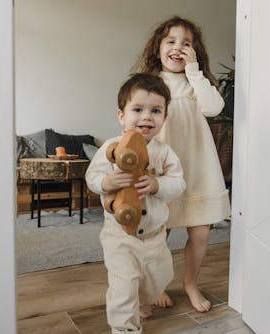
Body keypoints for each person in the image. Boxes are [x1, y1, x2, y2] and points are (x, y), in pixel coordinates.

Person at [136, 16, 231, 313]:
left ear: (195, 51)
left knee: (200, 231)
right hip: (162, 169)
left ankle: (191, 283)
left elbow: (214, 107)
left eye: (186, 44)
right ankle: (155, 285)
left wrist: (194, 71)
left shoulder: (195, 83)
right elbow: (138, 120)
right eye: (171, 41)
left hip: (198, 166)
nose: (178, 48)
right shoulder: (151, 84)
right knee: (158, 231)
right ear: (158, 49)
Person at [86, 73, 186, 334]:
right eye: (138, 109)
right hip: (120, 236)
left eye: (156, 110)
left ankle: (145, 298)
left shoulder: (164, 152)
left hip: (155, 236)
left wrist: (157, 185)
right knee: (124, 286)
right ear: (122, 116)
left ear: (164, 117)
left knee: (160, 278)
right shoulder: (111, 148)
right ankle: (125, 328)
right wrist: (107, 182)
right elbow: (92, 178)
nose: (146, 117)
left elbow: (178, 183)